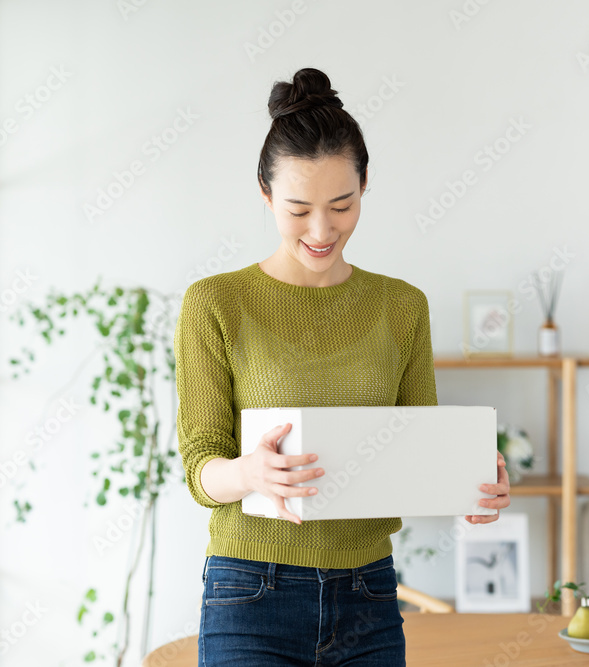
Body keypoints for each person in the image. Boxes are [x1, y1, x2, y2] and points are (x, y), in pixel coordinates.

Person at [174, 67, 511, 666]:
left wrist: (470, 483)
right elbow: (201, 467)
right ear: (265, 193)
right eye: (299, 208)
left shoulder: (401, 306)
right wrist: (250, 475)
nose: (322, 230)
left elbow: (418, 450)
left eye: (342, 204)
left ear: (363, 188)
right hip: (251, 591)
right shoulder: (216, 304)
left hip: (368, 592)